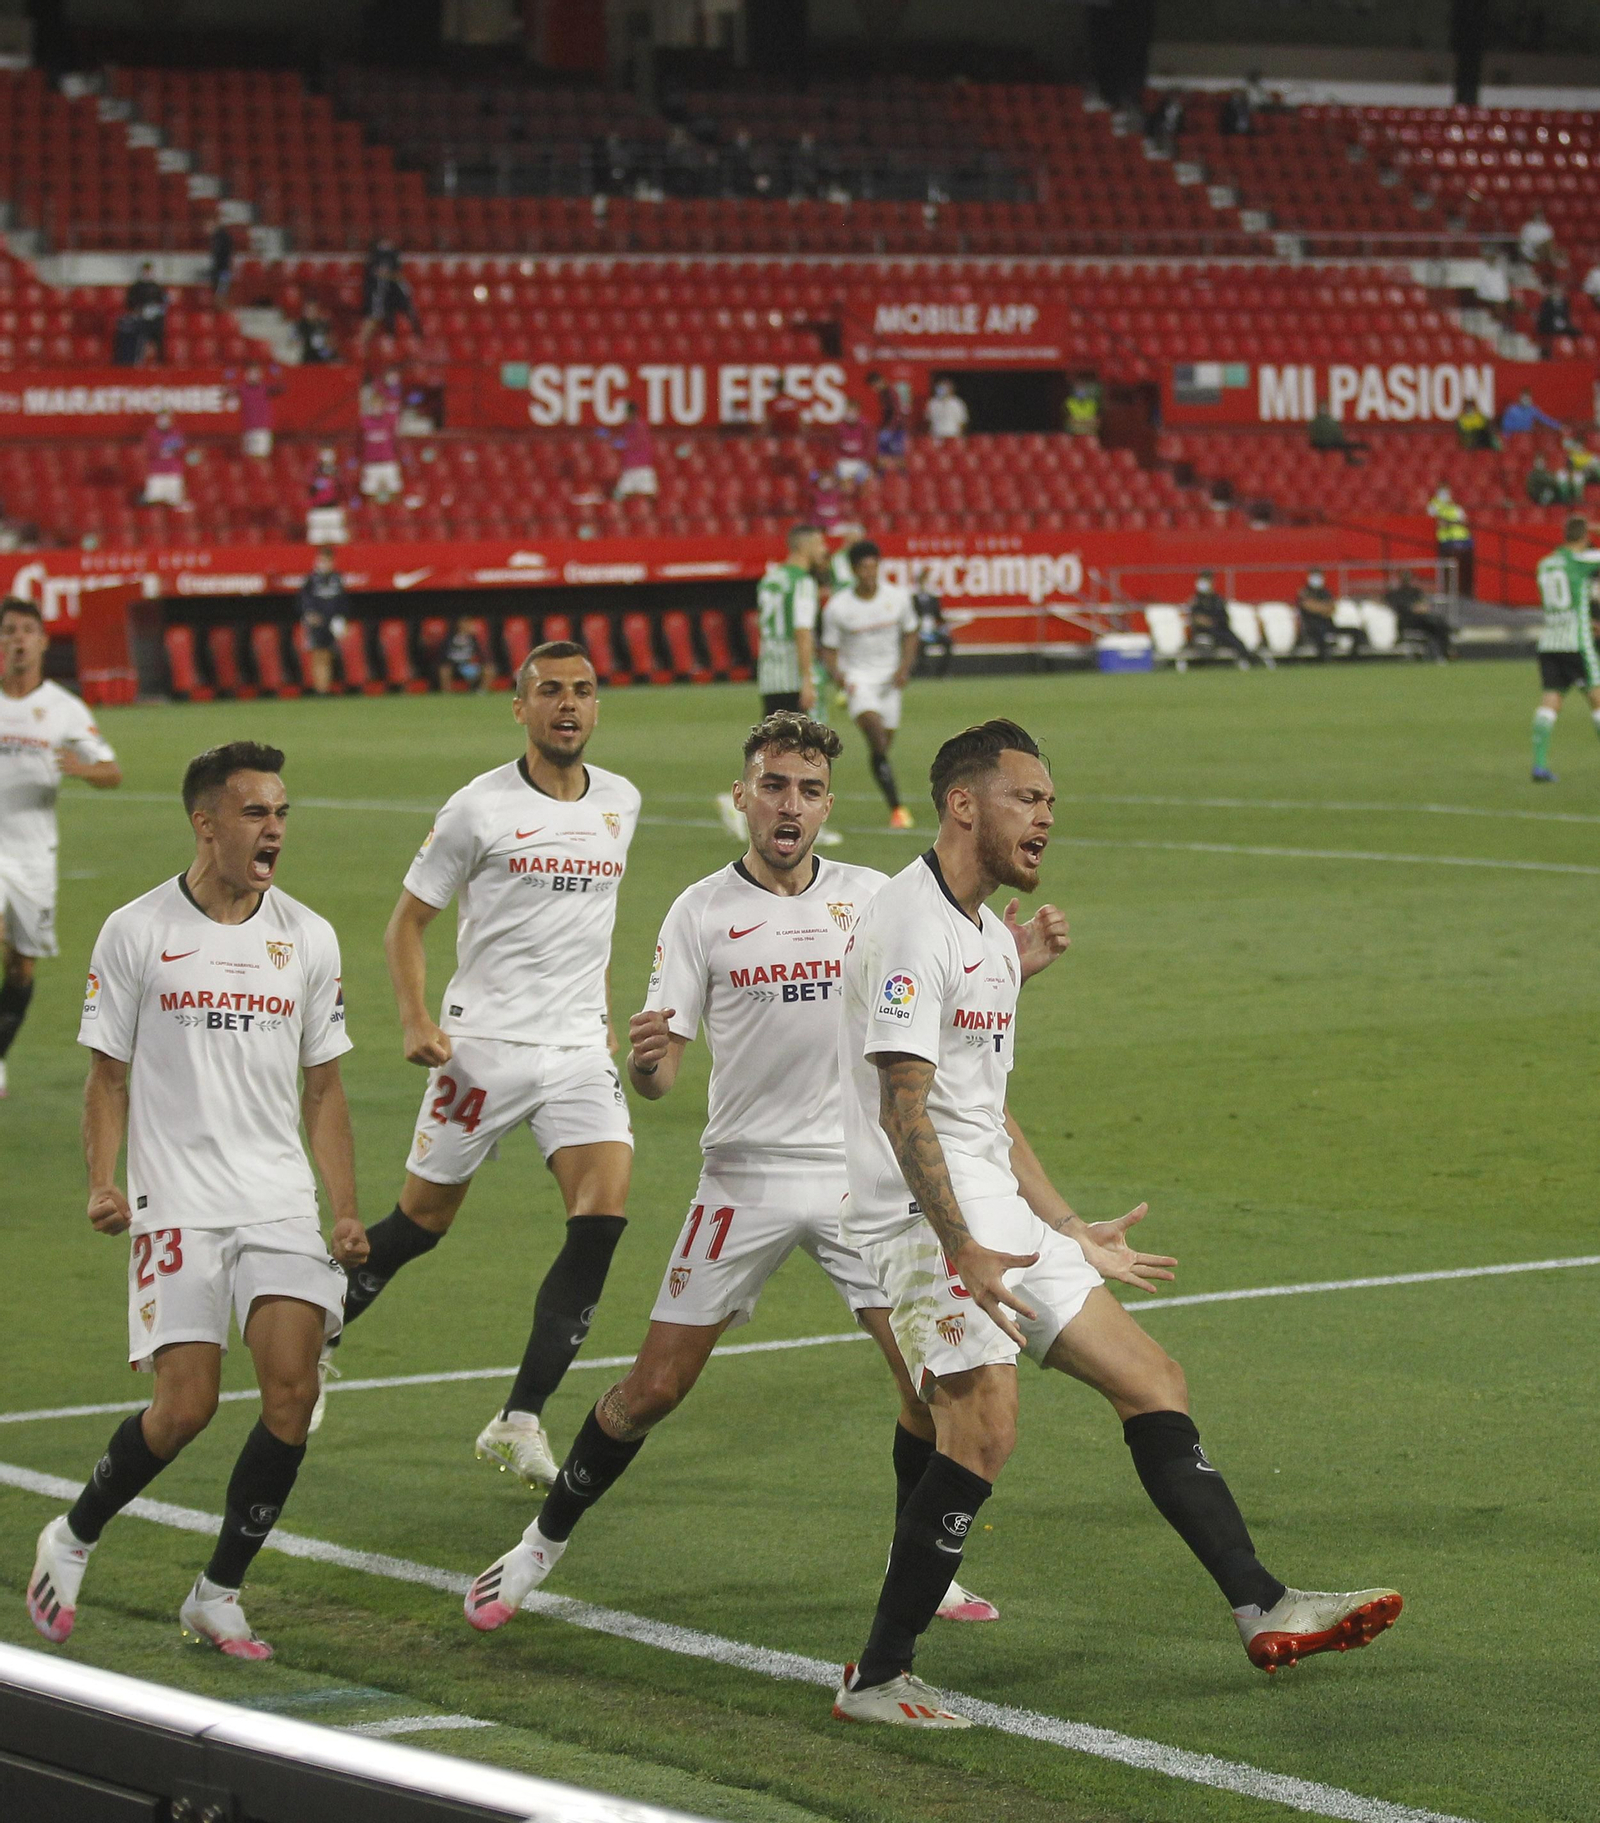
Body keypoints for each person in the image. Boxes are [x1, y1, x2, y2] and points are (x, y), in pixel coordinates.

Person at [829, 720, 1402, 1727]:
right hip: (920, 1215)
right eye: (1026, 797)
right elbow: (904, 1105)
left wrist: (1067, 1225)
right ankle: (878, 1676)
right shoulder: (907, 922)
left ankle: (1261, 1603)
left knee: (1152, 1379)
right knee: (983, 1425)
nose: (1046, 816)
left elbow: (985, 1111)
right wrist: (961, 1243)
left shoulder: (984, 934)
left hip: (989, 1204)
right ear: (962, 803)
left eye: (1050, 801)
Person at [463, 713, 1071, 1637]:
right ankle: (536, 1547)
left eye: (810, 790)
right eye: (775, 786)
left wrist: (1008, 970)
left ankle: (919, 1569)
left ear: (827, 804)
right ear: (743, 796)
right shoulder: (700, 911)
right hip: (742, 1179)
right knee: (654, 1387)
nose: (791, 805)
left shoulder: (874, 898)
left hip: (857, 1180)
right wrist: (648, 1061)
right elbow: (662, 1076)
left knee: (927, 1382)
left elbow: (934, 1010)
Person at [26, 742, 366, 1659]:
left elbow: (324, 1088)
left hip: (276, 1197)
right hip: (175, 1199)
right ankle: (74, 1533)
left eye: (282, 813)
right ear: (205, 823)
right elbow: (107, 1076)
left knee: (292, 1392)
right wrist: (103, 1181)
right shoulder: (137, 930)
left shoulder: (309, 936)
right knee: (185, 1407)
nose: (274, 830)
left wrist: (343, 1207)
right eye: (256, 813)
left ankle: (219, 1591)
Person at [327, 643, 641, 1483]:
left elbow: (595, 920)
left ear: (596, 705)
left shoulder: (621, 801)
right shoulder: (478, 808)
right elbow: (406, 923)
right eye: (550, 691)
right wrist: (415, 1018)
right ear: (520, 707)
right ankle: (317, 1324)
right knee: (419, 1224)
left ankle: (520, 1417)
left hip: (576, 1051)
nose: (567, 704)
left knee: (602, 1219)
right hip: (483, 1049)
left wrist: (602, 1012)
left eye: (582, 690)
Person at [0, 598, 120, 1098]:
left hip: (33, 856)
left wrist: (81, 767)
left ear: (44, 641)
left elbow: (112, 772)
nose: (18, 639)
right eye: (9, 630)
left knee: (21, 966)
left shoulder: (65, 709)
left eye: (27, 630)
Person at [821, 540, 920, 830]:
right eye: (863, 568)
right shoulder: (838, 607)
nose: (869, 573)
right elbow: (828, 648)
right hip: (858, 680)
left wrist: (904, 668)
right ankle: (897, 808)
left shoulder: (897, 598)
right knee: (875, 733)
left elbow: (911, 632)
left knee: (882, 746)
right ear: (853, 570)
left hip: (890, 681)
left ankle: (891, 797)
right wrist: (838, 676)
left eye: (873, 567)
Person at [1529, 515, 1600, 783]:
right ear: (1584, 536)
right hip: (1576, 643)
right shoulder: (1580, 561)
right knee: (1597, 699)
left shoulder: (1544, 564)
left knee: (1551, 701)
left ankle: (1539, 765)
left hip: (1550, 641)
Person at [1187, 572, 1271, 668]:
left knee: (1233, 639)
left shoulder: (1216, 599)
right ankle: (1249, 658)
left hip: (1220, 628)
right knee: (1225, 637)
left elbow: (1223, 615)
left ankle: (1249, 657)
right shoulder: (1196, 600)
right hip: (1205, 630)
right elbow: (1195, 618)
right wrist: (1204, 621)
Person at [297, 550, 347, 696]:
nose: (325, 564)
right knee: (317, 654)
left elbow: (342, 600)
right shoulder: (311, 580)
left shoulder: (337, 579)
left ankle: (325, 687)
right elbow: (304, 600)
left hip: (332, 623)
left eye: (328, 561)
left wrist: (341, 617)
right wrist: (310, 614)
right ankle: (320, 688)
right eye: (322, 561)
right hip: (316, 623)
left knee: (328, 655)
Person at [1384, 569, 1452, 662]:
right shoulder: (1396, 594)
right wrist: (1414, 608)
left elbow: (1424, 605)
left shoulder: (1416, 592)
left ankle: (1444, 652)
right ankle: (1443, 653)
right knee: (1436, 623)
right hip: (1408, 621)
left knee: (1439, 624)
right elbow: (1401, 608)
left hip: (1422, 620)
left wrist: (1422, 608)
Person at [357, 385, 402, 506]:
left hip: (388, 461)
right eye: (374, 404)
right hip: (371, 463)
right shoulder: (364, 422)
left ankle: (395, 514)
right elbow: (359, 442)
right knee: (370, 494)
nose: (376, 407)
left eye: (379, 404)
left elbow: (395, 439)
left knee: (394, 491)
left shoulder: (389, 420)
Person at [1427, 485, 1475, 599]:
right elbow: (1435, 522)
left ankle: (1466, 591)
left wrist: (1451, 523)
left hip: (1464, 540)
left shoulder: (1456, 507)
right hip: (1446, 542)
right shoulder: (1434, 506)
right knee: (1448, 566)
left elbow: (1464, 521)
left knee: (1470, 562)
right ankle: (1448, 591)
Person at [610, 402, 658, 501]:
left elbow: (635, 443)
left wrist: (620, 444)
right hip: (629, 467)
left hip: (642, 466)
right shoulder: (627, 427)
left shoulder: (640, 426)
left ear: (631, 413)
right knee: (620, 495)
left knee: (648, 495)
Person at [123, 261, 168, 364]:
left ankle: (159, 361)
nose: (148, 273)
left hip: (155, 319)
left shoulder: (157, 287)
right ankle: (138, 360)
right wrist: (139, 310)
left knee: (159, 335)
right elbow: (130, 303)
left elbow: (163, 302)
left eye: (149, 271)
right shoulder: (136, 287)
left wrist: (157, 310)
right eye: (146, 271)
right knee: (139, 338)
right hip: (140, 319)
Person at [912, 569, 953, 677]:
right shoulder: (913, 599)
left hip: (932, 631)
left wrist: (945, 625)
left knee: (948, 642)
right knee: (921, 645)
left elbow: (938, 616)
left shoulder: (933, 598)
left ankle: (942, 672)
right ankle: (922, 672)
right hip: (919, 632)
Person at [142, 413, 187, 508]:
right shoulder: (151, 433)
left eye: (166, 418)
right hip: (156, 472)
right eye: (161, 418)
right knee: (154, 502)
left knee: (175, 502)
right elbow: (149, 449)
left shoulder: (176, 433)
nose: (163, 421)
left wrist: (168, 449)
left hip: (173, 472)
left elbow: (181, 449)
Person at [1294, 569, 1339, 660]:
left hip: (1327, 623)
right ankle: (1323, 658)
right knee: (1320, 632)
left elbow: (1332, 608)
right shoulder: (1305, 591)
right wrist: (1323, 608)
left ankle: (1353, 658)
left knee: (1355, 632)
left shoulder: (1325, 592)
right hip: (1311, 625)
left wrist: (1318, 607)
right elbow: (1308, 606)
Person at [237, 364, 279, 460]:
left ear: (260, 375)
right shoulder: (242, 388)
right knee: (249, 457)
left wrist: (277, 375)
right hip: (248, 428)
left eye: (255, 373)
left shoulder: (265, 388)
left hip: (262, 428)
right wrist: (227, 379)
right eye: (250, 373)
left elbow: (281, 388)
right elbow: (227, 392)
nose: (253, 376)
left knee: (262, 456)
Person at [306, 449, 347, 545]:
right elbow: (310, 490)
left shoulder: (337, 477)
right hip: (317, 511)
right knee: (316, 541)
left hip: (333, 510)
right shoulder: (313, 476)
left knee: (338, 540)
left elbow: (343, 491)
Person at [438, 617, 489, 693]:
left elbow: (480, 654)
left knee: (489, 669)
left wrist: (475, 661)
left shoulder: (473, 639)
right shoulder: (450, 638)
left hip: (468, 665)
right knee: (444, 669)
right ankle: (447, 693)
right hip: (454, 665)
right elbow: (444, 654)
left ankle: (480, 692)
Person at [834, 401, 875, 487]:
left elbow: (870, 445)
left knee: (868, 481)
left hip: (860, 460)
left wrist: (865, 458)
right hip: (844, 460)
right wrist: (839, 459)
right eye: (848, 411)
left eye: (853, 412)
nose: (851, 415)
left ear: (858, 413)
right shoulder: (838, 427)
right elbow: (834, 445)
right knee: (843, 483)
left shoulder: (865, 426)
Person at [1535, 285, 1576, 355]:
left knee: (1575, 331)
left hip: (1563, 325)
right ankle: (1549, 352)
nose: (1557, 291)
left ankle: (1573, 351)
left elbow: (1566, 316)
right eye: (1555, 289)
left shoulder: (1565, 302)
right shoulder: (1546, 302)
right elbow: (1543, 317)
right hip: (1549, 325)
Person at [295, 300, 338, 366]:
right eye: (309, 310)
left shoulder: (323, 325)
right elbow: (297, 342)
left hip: (323, 359)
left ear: (317, 311)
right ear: (304, 311)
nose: (311, 312)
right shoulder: (300, 325)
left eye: (313, 310)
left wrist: (328, 346)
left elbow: (329, 343)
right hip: (307, 360)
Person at [207, 223, 234, 303]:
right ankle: (220, 299)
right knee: (221, 289)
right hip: (220, 268)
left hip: (223, 269)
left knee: (222, 289)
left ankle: (221, 300)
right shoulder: (217, 239)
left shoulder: (221, 239)